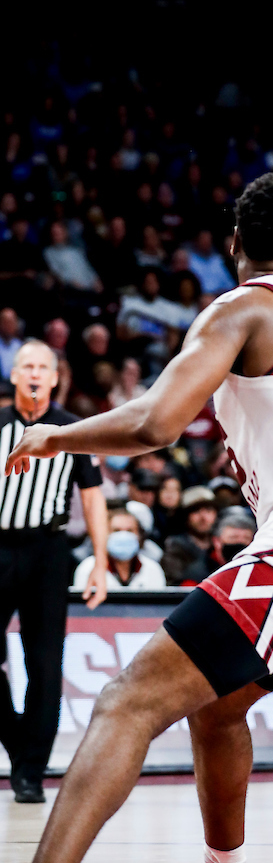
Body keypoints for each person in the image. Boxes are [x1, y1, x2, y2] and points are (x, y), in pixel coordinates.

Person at [5, 172, 273, 863]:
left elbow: (156, 423)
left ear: (235, 244)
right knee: (219, 705)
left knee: (126, 702)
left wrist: (54, 436)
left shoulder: (246, 308)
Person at [0, 340, 108, 803]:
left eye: (42, 367)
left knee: (44, 663)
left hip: (48, 550)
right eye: (27, 366)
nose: (34, 373)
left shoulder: (72, 429)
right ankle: (18, 743)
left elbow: (93, 496)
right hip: (0, 546)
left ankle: (30, 773)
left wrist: (100, 562)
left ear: (55, 378)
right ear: (13, 375)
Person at [73, 508, 166, 591]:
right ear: (105, 534)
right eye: (116, 530)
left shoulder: (153, 569)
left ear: (139, 536)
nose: (123, 535)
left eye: (129, 531)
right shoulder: (88, 568)